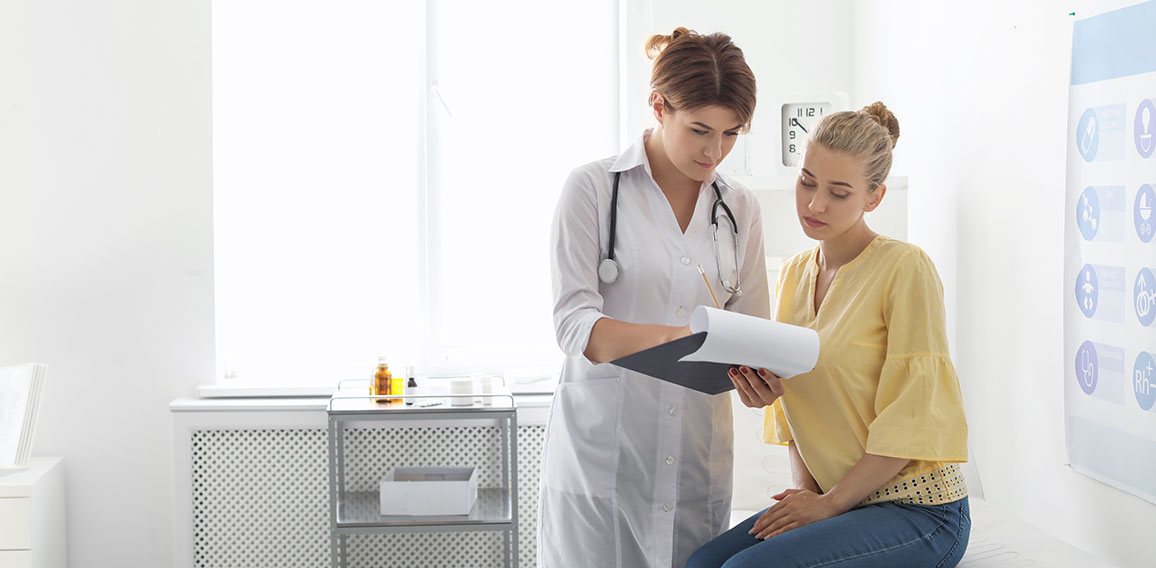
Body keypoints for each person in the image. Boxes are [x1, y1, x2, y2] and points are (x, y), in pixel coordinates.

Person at [687, 102, 971, 568]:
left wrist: (830, 505)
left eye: (839, 192)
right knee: (701, 564)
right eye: (807, 182)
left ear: (874, 197)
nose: (815, 204)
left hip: (920, 512)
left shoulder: (905, 267)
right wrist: (805, 494)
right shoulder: (795, 274)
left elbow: (914, 416)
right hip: (839, 501)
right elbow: (795, 401)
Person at [540, 27, 770, 568]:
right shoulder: (594, 189)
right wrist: (683, 341)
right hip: (604, 459)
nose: (715, 151)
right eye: (699, 130)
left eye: (732, 134)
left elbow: (751, 329)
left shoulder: (741, 209)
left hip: (696, 460)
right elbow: (575, 325)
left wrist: (759, 378)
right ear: (658, 106)